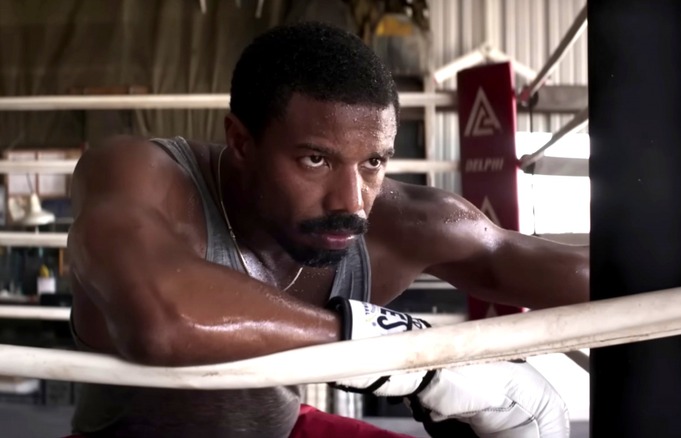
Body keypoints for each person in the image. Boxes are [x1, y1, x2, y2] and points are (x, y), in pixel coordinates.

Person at [66, 21, 589, 438]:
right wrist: (420, 360)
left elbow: (544, 264)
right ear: (242, 142)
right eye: (316, 160)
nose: (352, 201)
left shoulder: (395, 223)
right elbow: (162, 318)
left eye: (374, 162)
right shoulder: (144, 176)